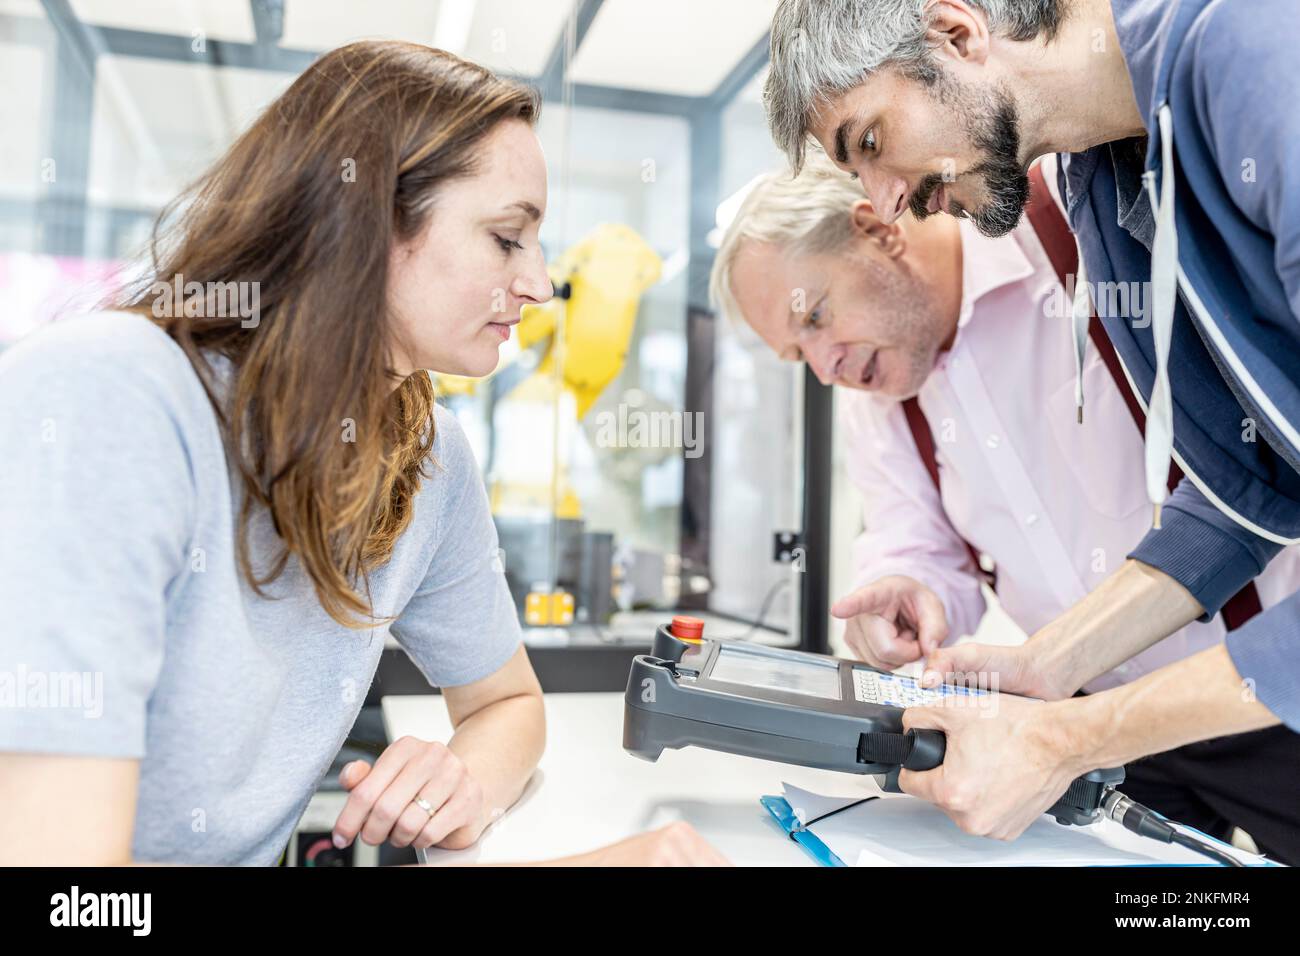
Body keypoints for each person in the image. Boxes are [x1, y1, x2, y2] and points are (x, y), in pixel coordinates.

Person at [0, 41, 725, 867]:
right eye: (505, 238)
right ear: (367, 222)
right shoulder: (110, 397)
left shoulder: (429, 453)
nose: (537, 283)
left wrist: (464, 779)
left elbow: (510, 704)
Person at [763, 0, 1300, 859]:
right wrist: (1045, 666)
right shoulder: (1109, 185)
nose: (887, 200)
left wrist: (1065, 742)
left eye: (870, 142)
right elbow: (1251, 485)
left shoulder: (1253, 49)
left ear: (955, 31)